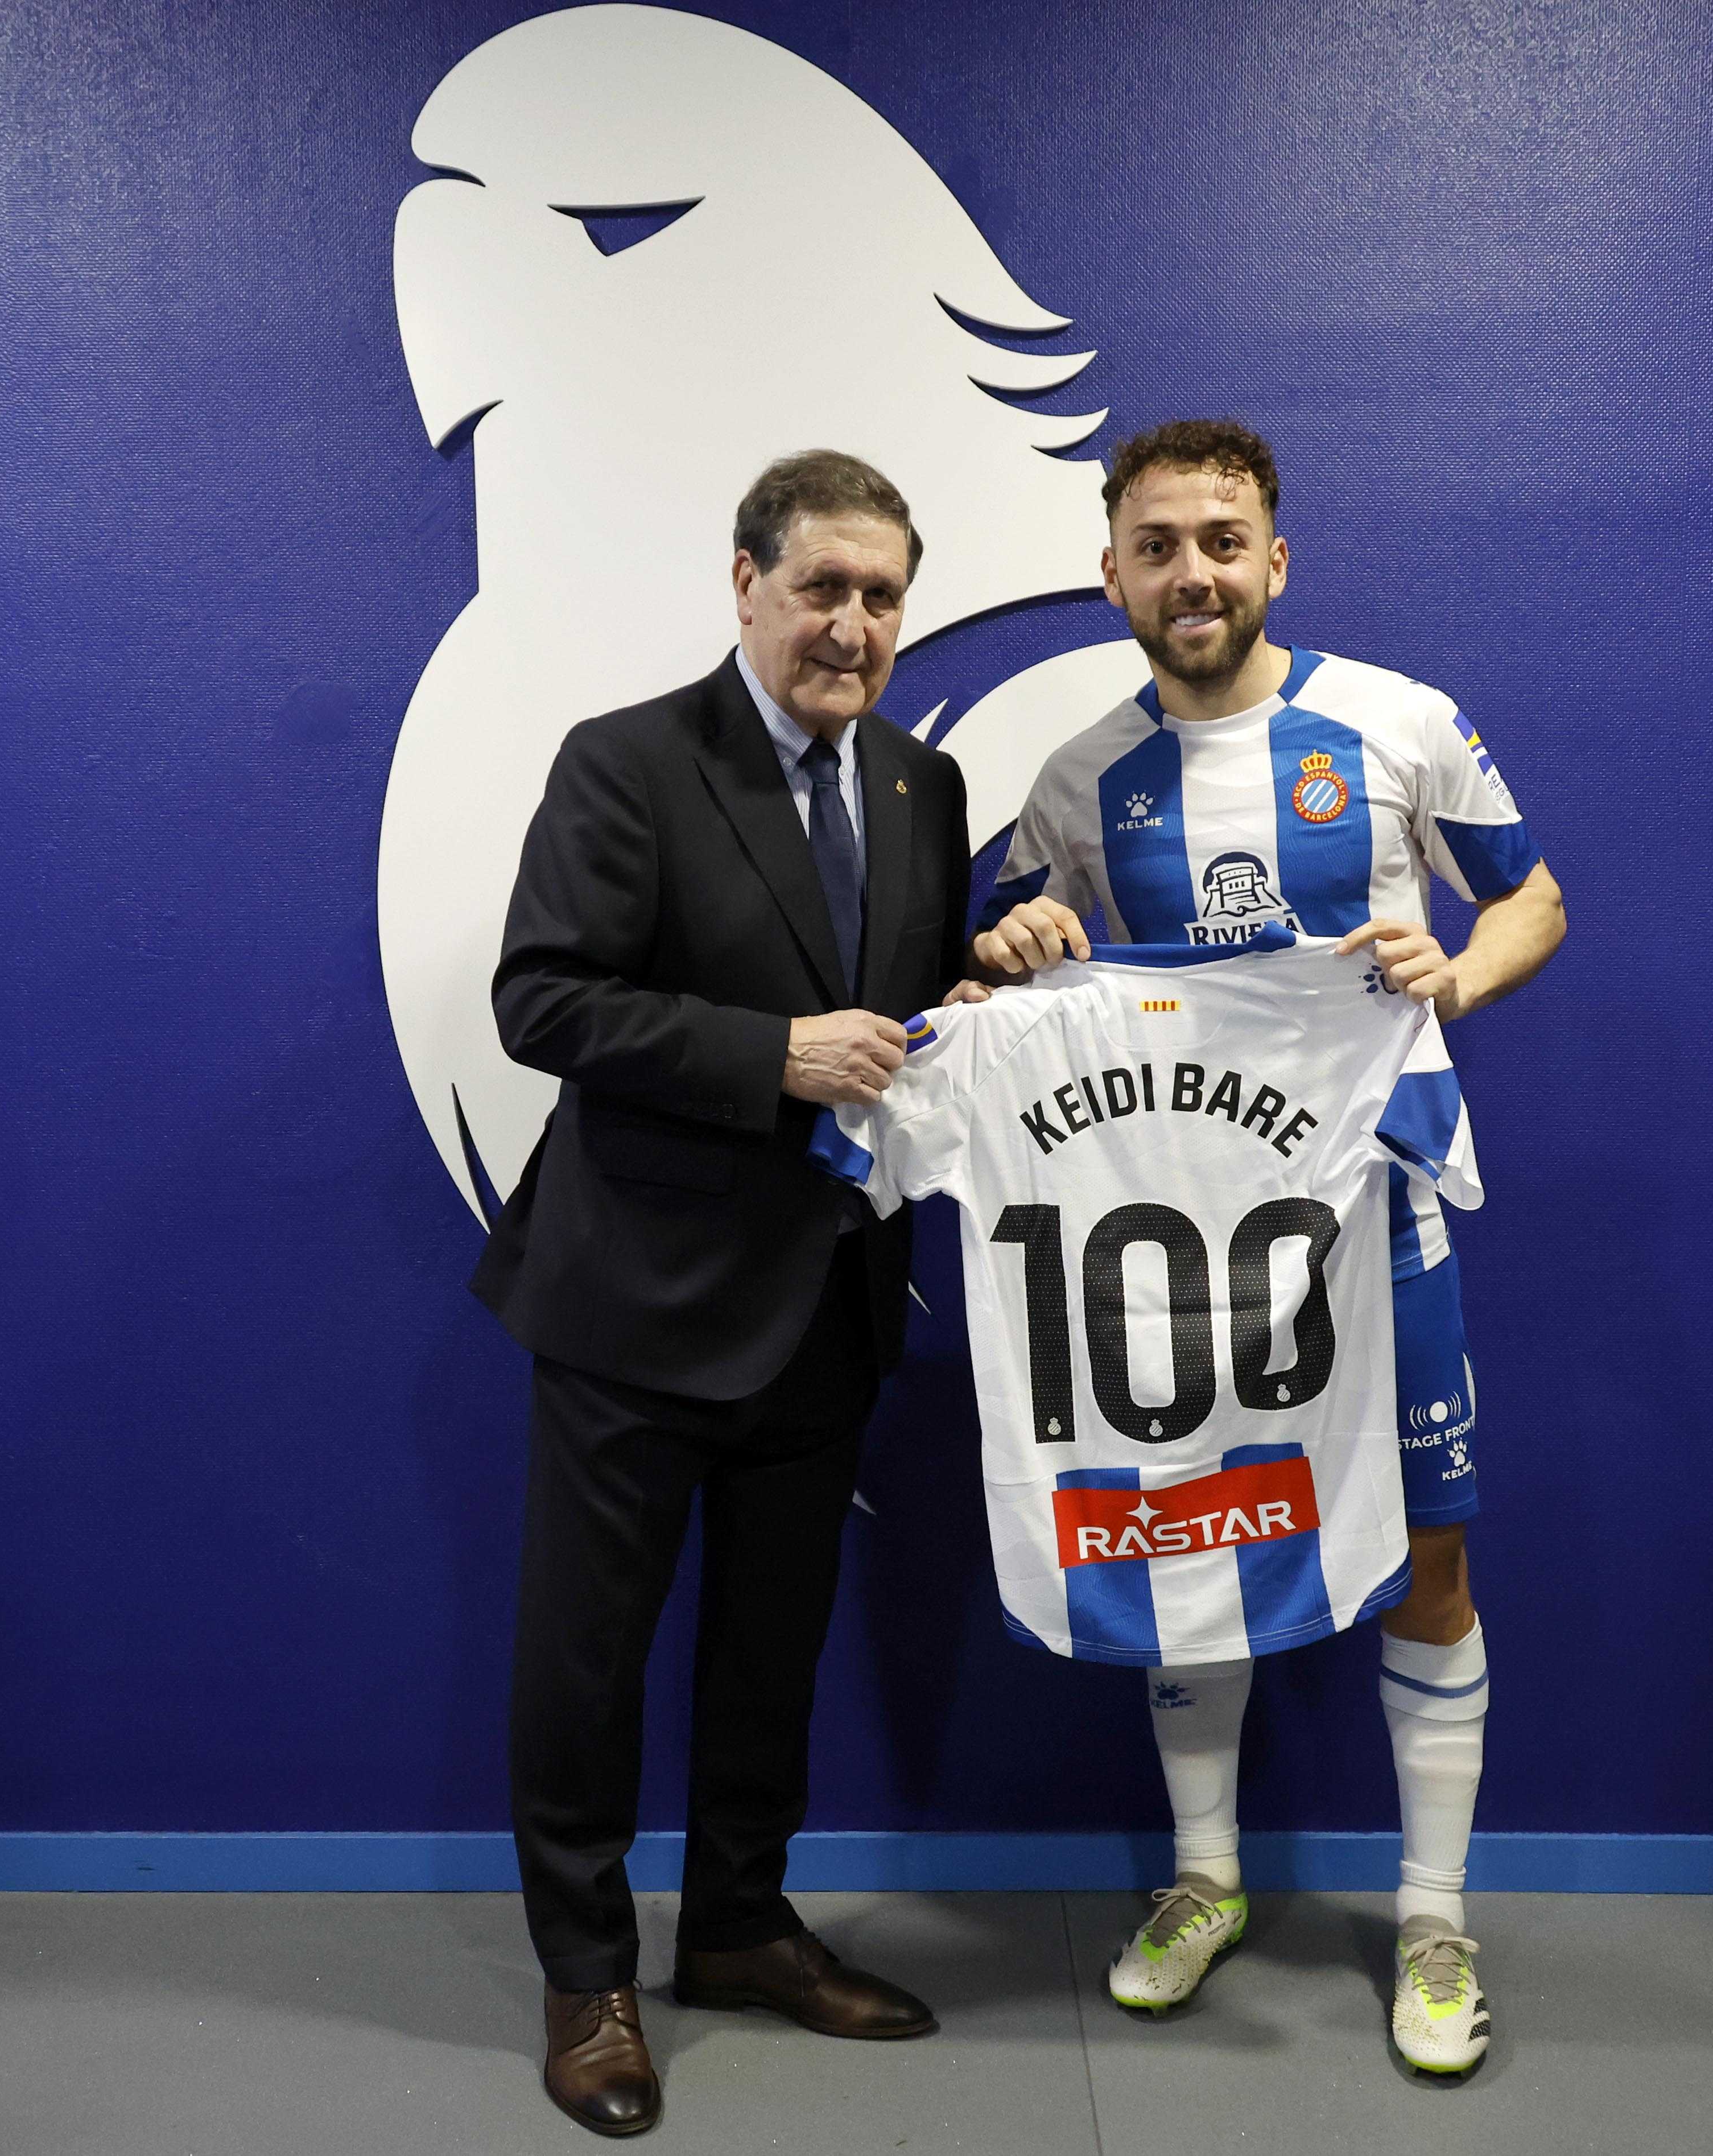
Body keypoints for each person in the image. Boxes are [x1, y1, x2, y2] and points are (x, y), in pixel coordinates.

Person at [971, 418, 1566, 2074]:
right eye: (1158, 546)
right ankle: (1207, 1879)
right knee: (1186, 1538)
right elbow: (1003, 962)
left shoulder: (1400, 721)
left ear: (1276, 560)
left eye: (1223, 541)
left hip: (1379, 1217)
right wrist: (1016, 941)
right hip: (1193, 1252)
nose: (1194, 574)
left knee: (1431, 1559)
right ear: (1112, 574)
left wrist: (1456, 975)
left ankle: (1433, 1920)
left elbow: (1533, 899)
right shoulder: (1079, 778)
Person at [474, 450, 976, 2137]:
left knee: (771, 1652)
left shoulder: (920, 783)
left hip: (828, 1300)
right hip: (636, 1301)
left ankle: (743, 1928)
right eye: (823, 587)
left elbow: (901, 1007)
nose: (853, 625)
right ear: (747, 582)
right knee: (588, 1664)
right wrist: (772, 1055)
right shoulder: (627, 761)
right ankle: (587, 1975)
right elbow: (544, 1001)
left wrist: (987, 973)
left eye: (882, 596)